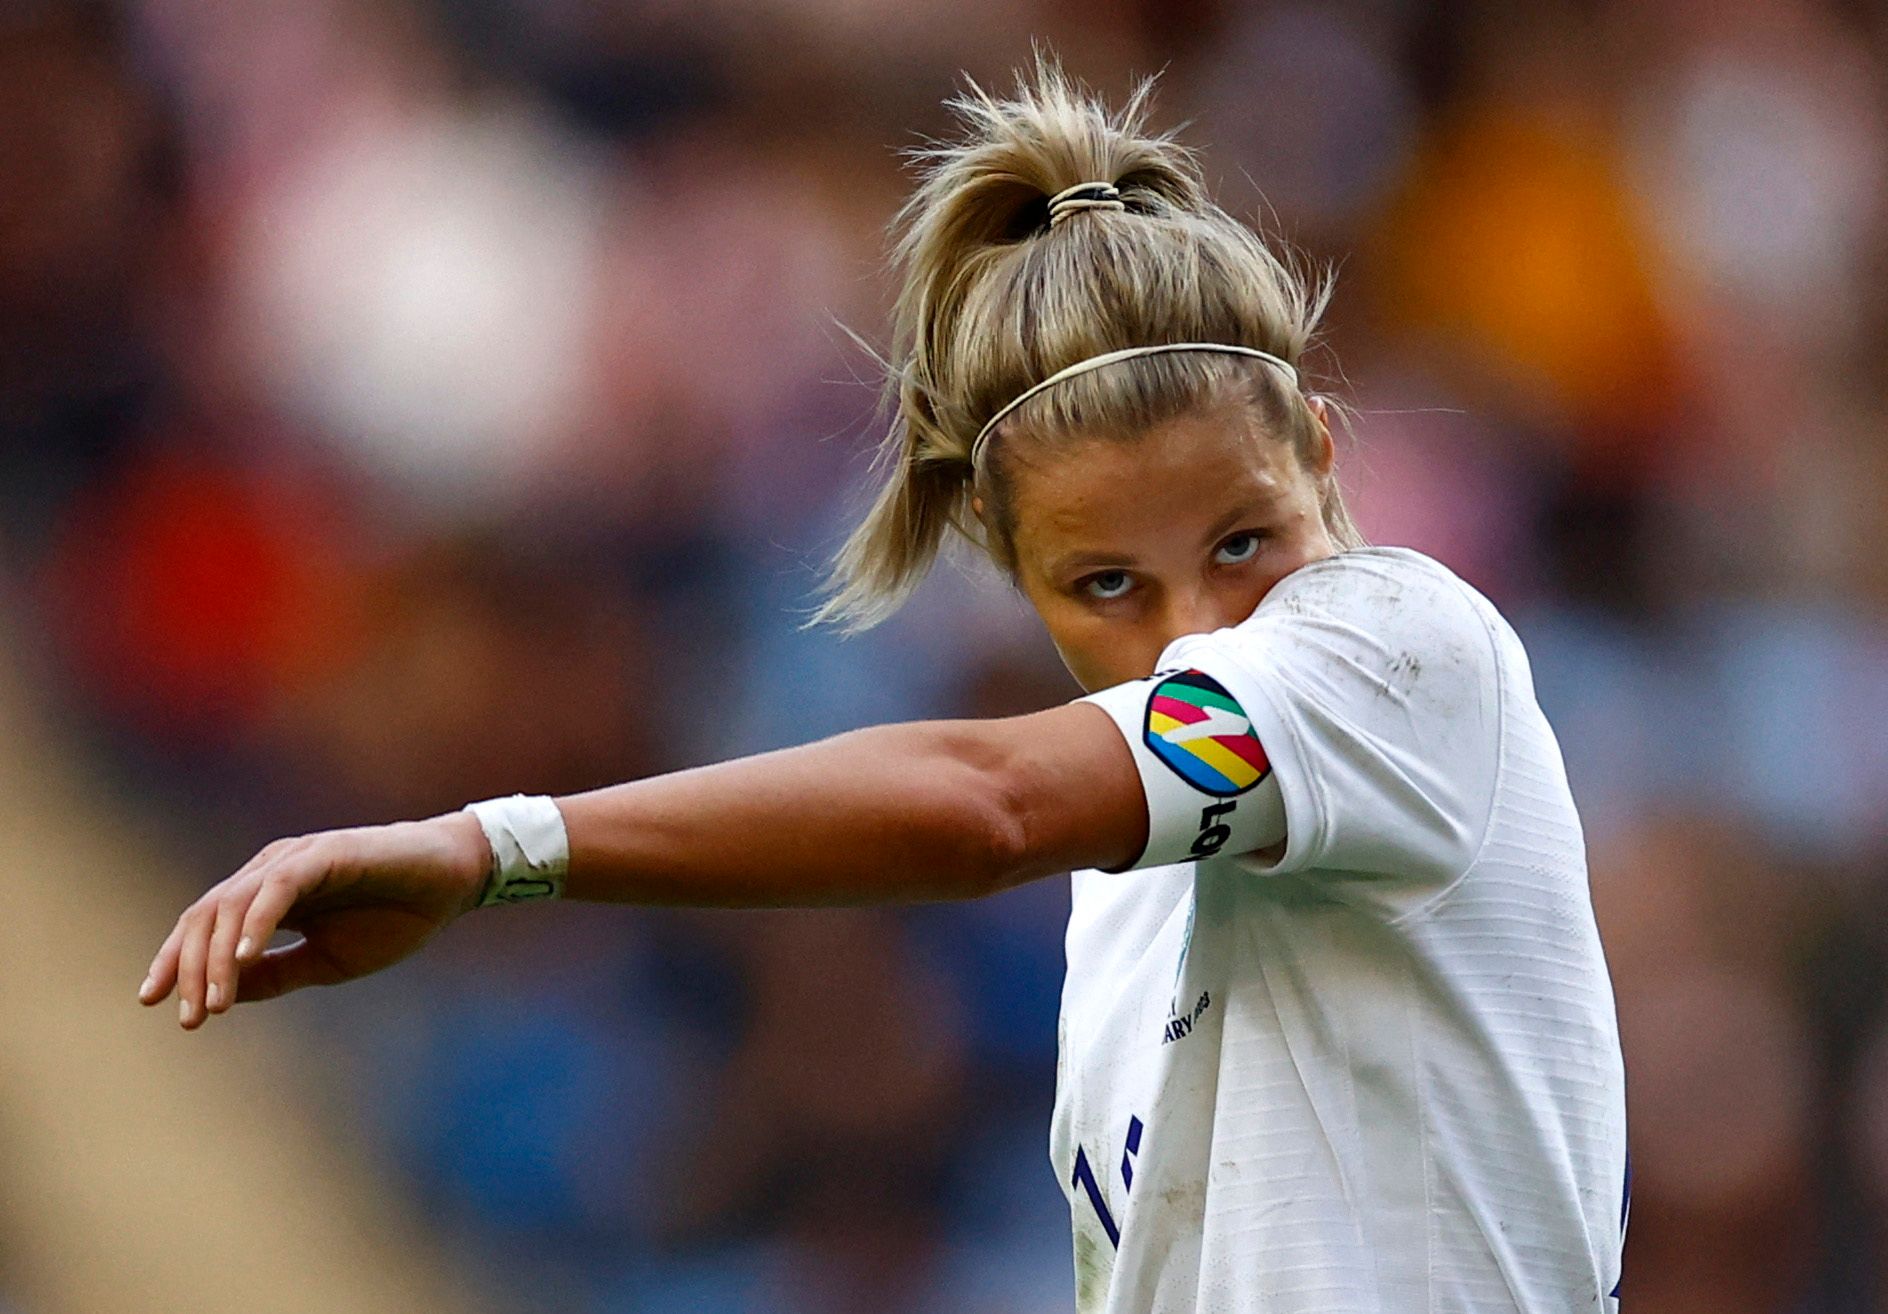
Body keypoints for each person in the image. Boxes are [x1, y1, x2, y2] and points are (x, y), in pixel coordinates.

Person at [138, 63, 1628, 1314]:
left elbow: (987, 803)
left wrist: (494, 848)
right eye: (1108, 584)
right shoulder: (1134, 890)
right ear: (1007, 562)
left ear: (1317, 448)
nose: (1193, 630)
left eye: (1242, 541)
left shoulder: (1395, 647)